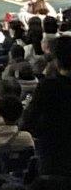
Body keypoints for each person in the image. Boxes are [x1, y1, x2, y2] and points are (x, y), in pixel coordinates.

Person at [22, 34, 71, 175]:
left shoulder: (48, 87)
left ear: (56, 60)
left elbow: (28, 121)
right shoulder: (48, 86)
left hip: (54, 157)